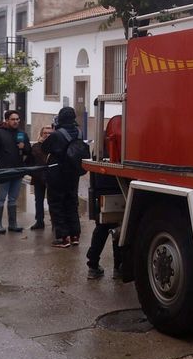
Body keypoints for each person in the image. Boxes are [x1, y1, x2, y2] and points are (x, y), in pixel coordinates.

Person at [84, 114, 122, 278]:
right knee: (118, 230)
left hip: (102, 190)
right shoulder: (122, 144)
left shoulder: (100, 145)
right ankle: (118, 268)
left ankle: (93, 265)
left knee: (102, 228)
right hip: (119, 190)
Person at [43, 105, 84, 248]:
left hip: (57, 174)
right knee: (72, 204)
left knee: (57, 204)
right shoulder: (79, 132)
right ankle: (75, 236)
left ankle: (63, 238)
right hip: (73, 174)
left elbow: (44, 148)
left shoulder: (57, 134)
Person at [0, 109, 27, 233]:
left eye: (17, 119)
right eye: (13, 119)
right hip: (3, 172)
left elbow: (28, 151)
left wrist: (24, 147)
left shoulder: (22, 134)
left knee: (13, 198)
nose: (15, 122)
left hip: (18, 171)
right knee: (1, 198)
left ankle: (13, 224)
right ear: (7, 120)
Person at [28, 122, 54, 232]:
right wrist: (33, 173)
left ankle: (55, 222)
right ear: (41, 134)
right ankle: (39, 221)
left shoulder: (55, 147)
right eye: (45, 133)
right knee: (38, 200)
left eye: (49, 133)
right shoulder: (36, 146)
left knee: (52, 201)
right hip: (38, 177)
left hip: (52, 178)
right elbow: (30, 161)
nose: (47, 135)